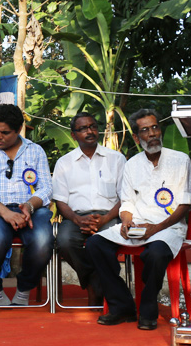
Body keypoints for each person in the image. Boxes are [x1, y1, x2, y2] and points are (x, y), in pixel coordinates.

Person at [87, 108, 191, 330]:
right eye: (145, 130)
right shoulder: (132, 164)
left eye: (155, 127)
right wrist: (125, 221)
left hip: (168, 227)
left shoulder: (180, 160)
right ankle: (122, 306)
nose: (152, 134)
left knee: (155, 253)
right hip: (137, 225)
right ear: (136, 137)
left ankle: (147, 309)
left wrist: (156, 228)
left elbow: (184, 204)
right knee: (95, 244)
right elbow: (127, 203)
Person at [0, 104, 53, 306]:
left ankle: (24, 289)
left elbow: (47, 188)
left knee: (42, 241)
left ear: (18, 131)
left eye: (5, 133)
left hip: (30, 210)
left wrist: (30, 206)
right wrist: (6, 213)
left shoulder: (35, 151)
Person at [53, 112, 125, 306]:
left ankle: (105, 291)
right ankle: (95, 282)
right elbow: (60, 201)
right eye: (83, 128)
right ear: (74, 134)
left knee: (108, 242)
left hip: (109, 216)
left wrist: (105, 218)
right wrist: (78, 220)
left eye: (92, 126)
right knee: (65, 241)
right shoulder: (64, 163)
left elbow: (125, 197)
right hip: (76, 218)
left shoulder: (116, 159)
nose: (89, 131)